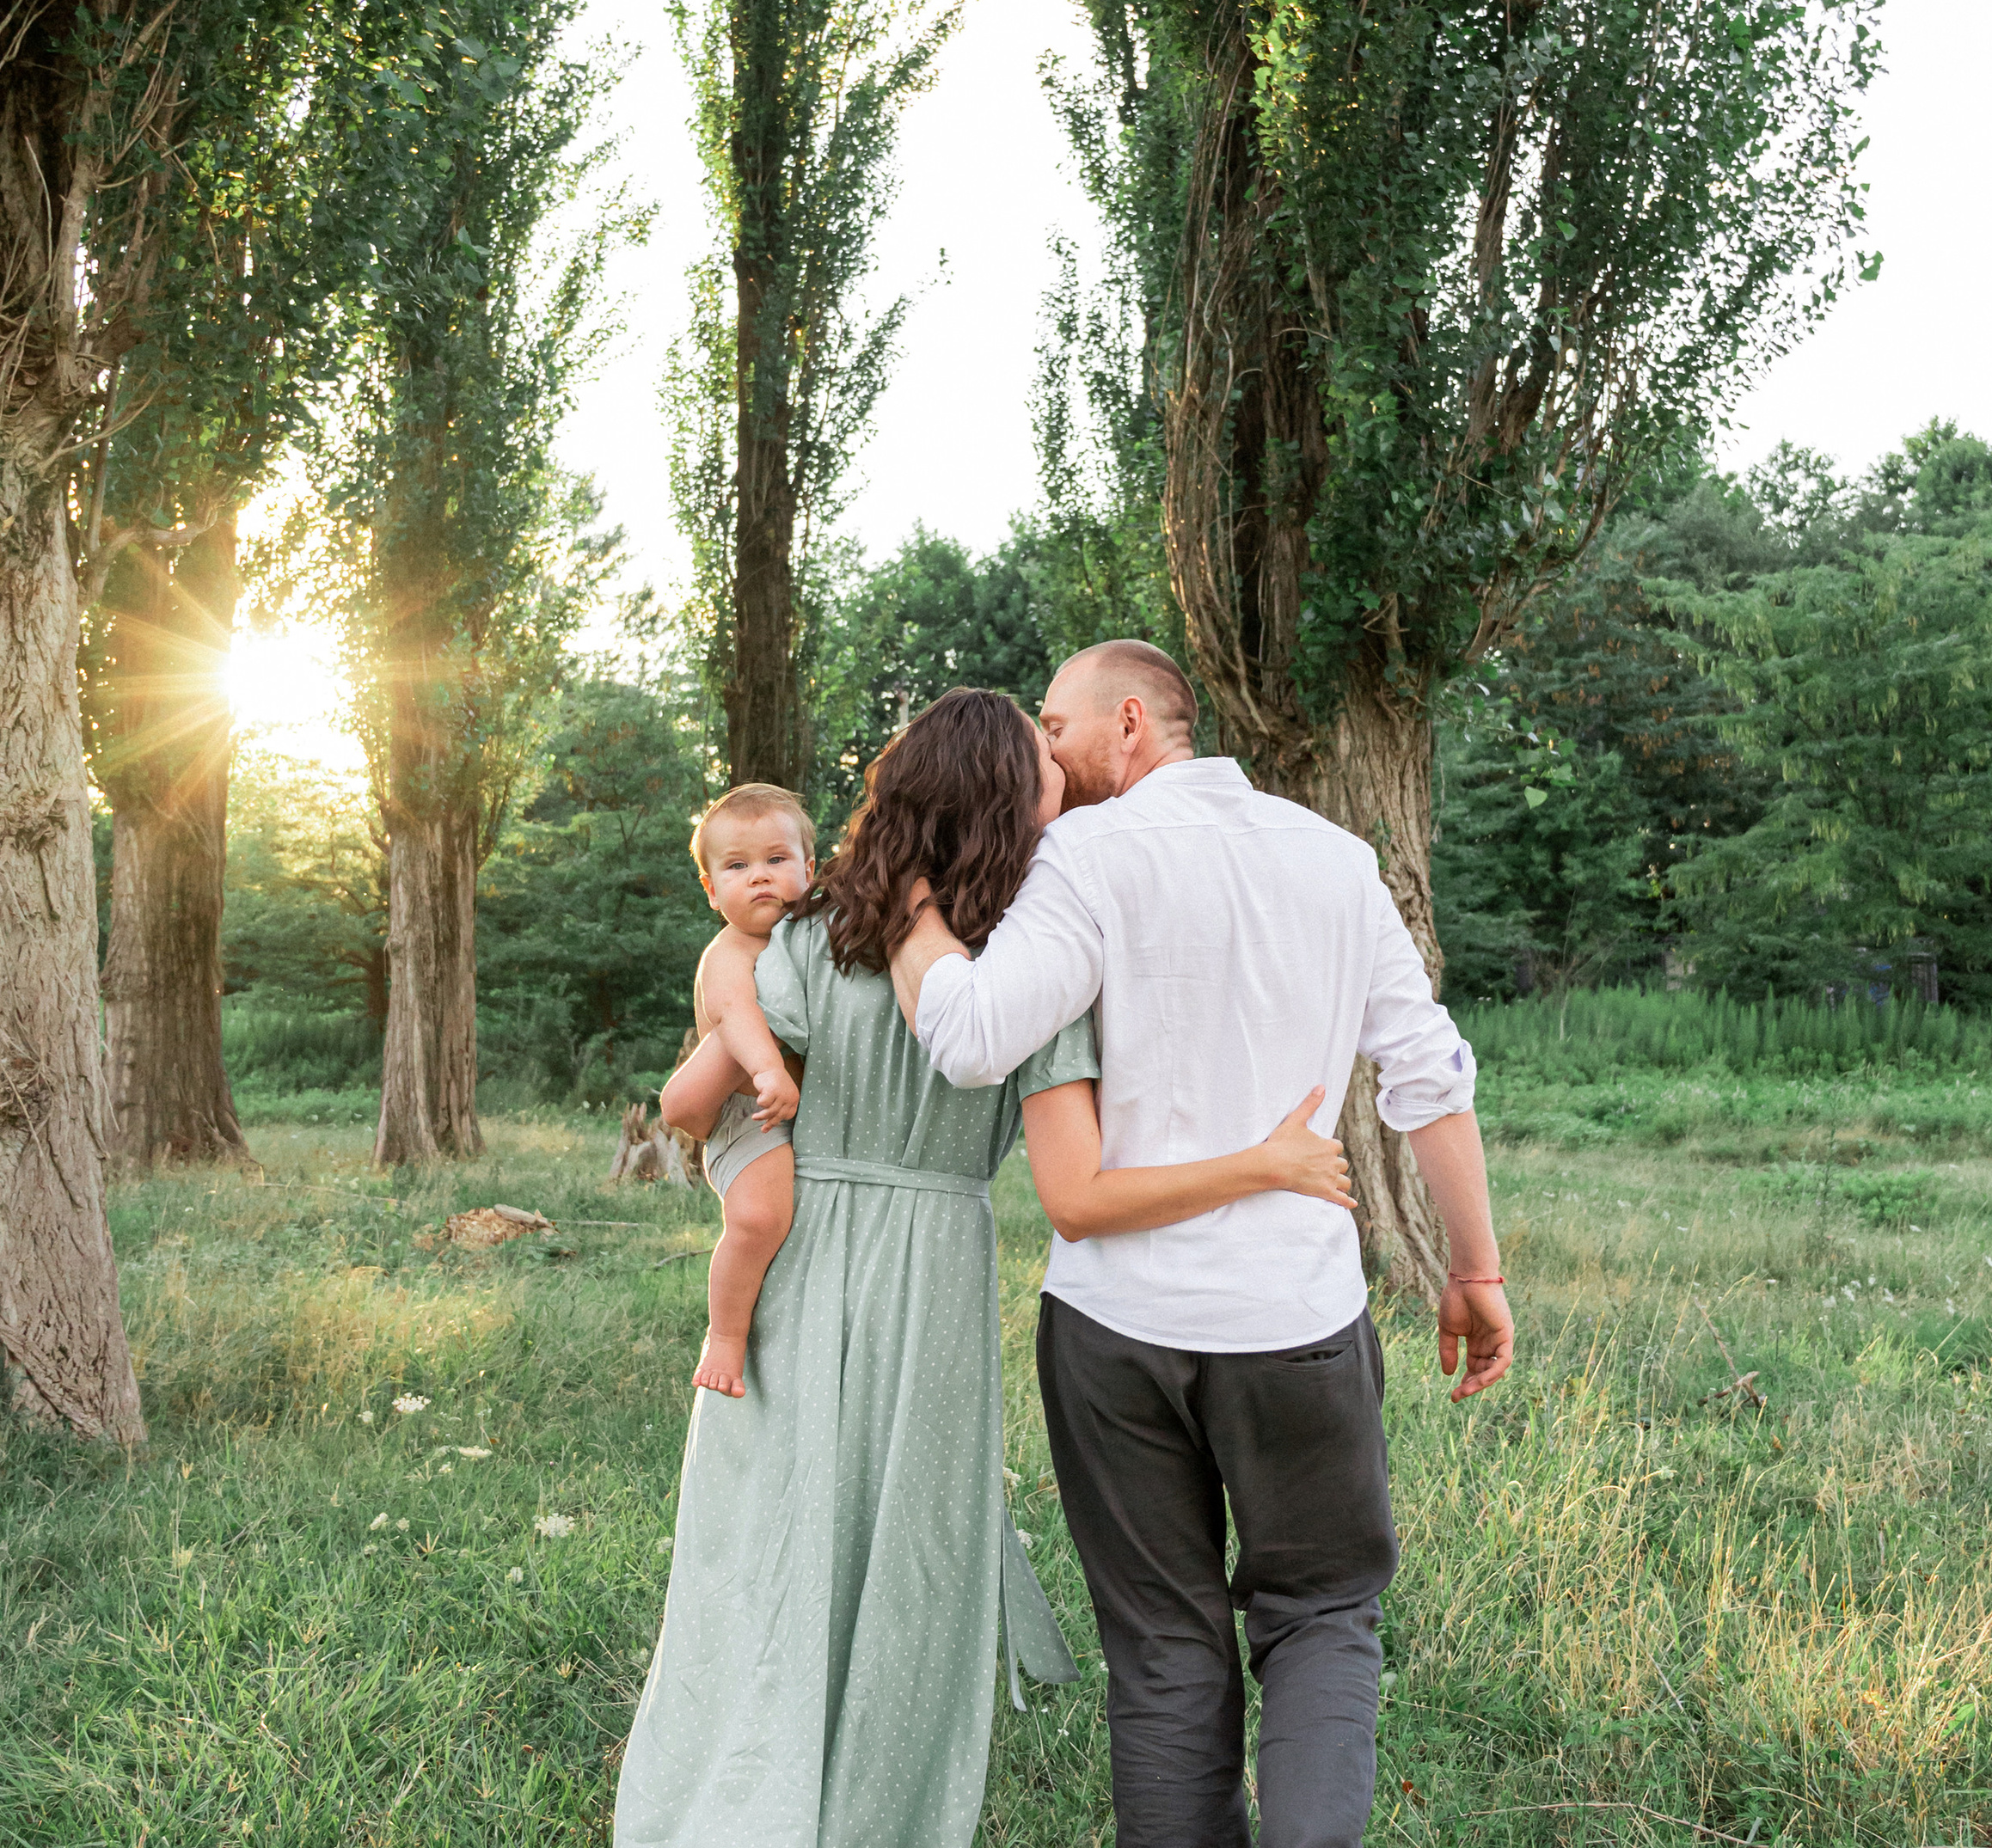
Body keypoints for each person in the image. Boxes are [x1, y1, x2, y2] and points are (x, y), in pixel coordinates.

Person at [615, 688, 1352, 1848]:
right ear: (1011, 815)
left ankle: (734, 1798)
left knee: (771, 1538)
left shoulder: (807, 941)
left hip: (801, 1257)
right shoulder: (1037, 973)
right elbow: (1078, 1185)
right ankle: (879, 1816)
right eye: (1047, 783)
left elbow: (695, 1107)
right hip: (932, 1276)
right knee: (912, 1552)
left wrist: (727, 1061)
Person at [889, 640, 1516, 1848]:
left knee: (1167, 1649)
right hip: (1295, 1328)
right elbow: (1430, 1080)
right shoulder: (1339, 865)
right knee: (1324, 1615)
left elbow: (967, 1036)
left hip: (1116, 1333)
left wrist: (907, 892)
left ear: (1132, 722)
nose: (1049, 758)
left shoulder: (1080, 857)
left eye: (1059, 728)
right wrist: (1474, 1271)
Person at [659, 784, 810, 1399]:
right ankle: (724, 1337)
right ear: (711, 889)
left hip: (781, 1112)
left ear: (810, 869)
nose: (760, 878)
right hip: (747, 1114)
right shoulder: (731, 950)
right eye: (738, 867)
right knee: (757, 1217)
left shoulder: (801, 939)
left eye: (777, 860)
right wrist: (771, 1071)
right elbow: (736, 1015)